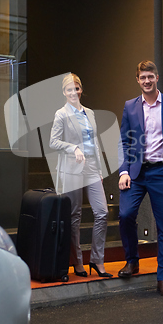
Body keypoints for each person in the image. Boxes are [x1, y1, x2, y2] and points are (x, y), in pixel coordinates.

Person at [118, 60, 163, 296]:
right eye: (142, 77)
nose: (146, 81)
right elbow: (124, 142)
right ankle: (132, 260)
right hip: (137, 173)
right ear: (137, 80)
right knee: (126, 215)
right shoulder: (130, 107)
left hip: (162, 172)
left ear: (157, 77)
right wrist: (124, 170)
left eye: (150, 76)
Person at [49, 73, 112, 278]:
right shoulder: (61, 114)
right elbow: (53, 142)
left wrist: (100, 170)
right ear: (64, 92)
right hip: (71, 169)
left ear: (81, 89)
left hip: (92, 167)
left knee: (102, 212)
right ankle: (77, 262)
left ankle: (97, 259)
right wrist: (73, 147)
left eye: (76, 88)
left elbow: (94, 143)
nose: (73, 92)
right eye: (69, 89)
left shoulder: (90, 113)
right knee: (74, 217)